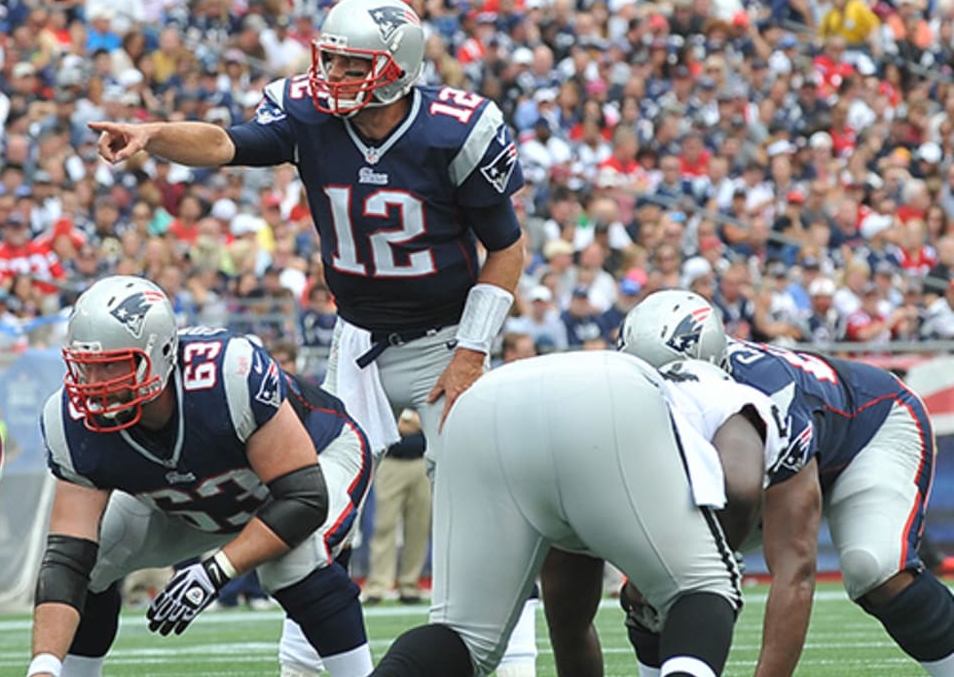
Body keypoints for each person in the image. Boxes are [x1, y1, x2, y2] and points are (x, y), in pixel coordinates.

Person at [89, 0, 533, 676]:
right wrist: (153, 134)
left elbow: (506, 248)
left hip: (446, 339)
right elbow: (224, 142)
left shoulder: (456, 130)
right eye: (328, 60)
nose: (332, 77)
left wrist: (473, 350)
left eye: (352, 65)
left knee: (485, 507)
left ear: (397, 69)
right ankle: (308, 663)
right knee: (314, 507)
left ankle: (513, 662)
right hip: (357, 340)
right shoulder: (309, 115)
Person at [26, 277, 374, 677]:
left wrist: (215, 571)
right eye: (86, 366)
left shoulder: (228, 374)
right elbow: (68, 557)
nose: (93, 383)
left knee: (292, 562)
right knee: (94, 558)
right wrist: (43, 667)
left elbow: (303, 497)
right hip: (198, 502)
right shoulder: (69, 421)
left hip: (315, 461)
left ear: (159, 353)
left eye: (110, 364)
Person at [370, 351, 783, 677]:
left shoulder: (614, 370)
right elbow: (742, 488)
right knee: (704, 587)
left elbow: (568, 616)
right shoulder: (723, 391)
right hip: (607, 407)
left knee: (463, 636)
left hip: (482, 404)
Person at [618, 289, 954, 677]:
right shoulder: (637, 392)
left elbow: (795, 570)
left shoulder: (771, 399)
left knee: (873, 567)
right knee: (653, 582)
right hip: (763, 459)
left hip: (871, 429)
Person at [362, 409, 430, 606]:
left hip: (423, 461)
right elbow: (390, 422)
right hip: (391, 462)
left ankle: (409, 584)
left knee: (419, 526)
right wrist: (413, 421)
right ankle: (378, 585)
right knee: (384, 524)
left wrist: (413, 421)